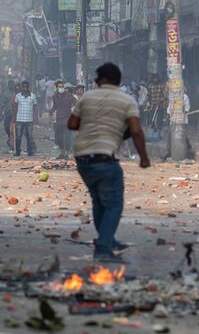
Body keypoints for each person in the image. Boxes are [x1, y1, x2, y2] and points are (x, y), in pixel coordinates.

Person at [67, 62, 149, 264]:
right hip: (105, 158)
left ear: (102, 79)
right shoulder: (127, 100)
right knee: (113, 205)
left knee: (98, 201)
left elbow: (72, 124)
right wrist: (144, 157)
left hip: (82, 157)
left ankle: (108, 240)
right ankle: (103, 248)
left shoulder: (87, 97)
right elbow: (136, 130)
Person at [49, 80, 75, 159]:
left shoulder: (69, 95)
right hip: (59, 119)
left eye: (62, 86)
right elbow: (55, 106)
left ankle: (66, 153)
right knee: (58, 137)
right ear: (56, 88)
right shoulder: (55, 96)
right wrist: (51, 112)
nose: (61, 88)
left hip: (68, 118)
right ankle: (62, 152)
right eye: (60, 87)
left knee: (67, 137)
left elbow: (75, 102)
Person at [13, 80, 37, 156]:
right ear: (21, 87)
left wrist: (36, 117)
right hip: (19, 119)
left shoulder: (33, 96)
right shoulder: (18, 96)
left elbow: (35, 107)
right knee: (18, 136)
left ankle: (30, 152)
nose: (25, 88)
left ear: (28, 87)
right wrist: (14, 118)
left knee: (29, 136)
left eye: (26, 87)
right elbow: (15, 107)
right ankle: (17, 152)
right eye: (23, 87)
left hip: (29, 119)